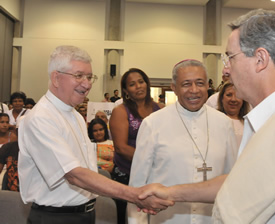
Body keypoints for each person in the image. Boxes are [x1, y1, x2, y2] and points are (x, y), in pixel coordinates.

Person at [140, 9, 275, 223]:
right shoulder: (271, 119)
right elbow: (242, 183)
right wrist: (172, 193)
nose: (225, 71)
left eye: (230, 58)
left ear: (260, 59)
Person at [18, 45, 173, 224]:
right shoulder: (41, 118)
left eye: (90, 77)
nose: (87, 83)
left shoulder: (74, 115)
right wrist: (135, 194)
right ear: (56, 78)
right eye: (79, 76)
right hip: (56, 217)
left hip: (84, 213)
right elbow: (74, 174)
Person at [128, 59, 237, 224]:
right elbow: (137, 187)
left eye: (200, 83)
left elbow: (231, 180)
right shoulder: (153, 124)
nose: (194, 90)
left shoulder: (224, 124)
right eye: (186, 84)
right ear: (174, 88)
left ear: (207, 85)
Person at [109, 67, 162, 224]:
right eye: (132, 84)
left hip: (154, 175)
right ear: (125, 90)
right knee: (126, 218)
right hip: (126, 175)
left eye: (141, 82)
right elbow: (121, 148)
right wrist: (150, 160)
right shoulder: (121, 111)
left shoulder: (159, 108)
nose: (138, 86)